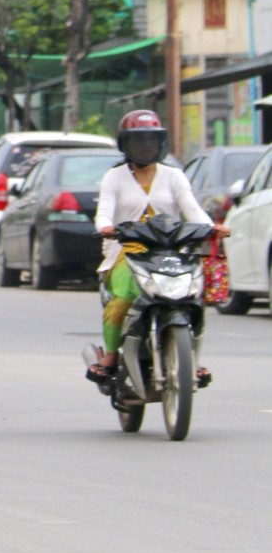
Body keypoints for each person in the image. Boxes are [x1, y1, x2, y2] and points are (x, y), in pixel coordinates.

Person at [89, 109, 213, 386]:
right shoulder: (114, 177)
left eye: (151, 140)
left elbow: (192, 210)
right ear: (126, 145)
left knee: (191, 298)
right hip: (126, 251)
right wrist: (105, 227)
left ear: (160, 143)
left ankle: (190, 356)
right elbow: (104, 212)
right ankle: (110, 356)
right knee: (121, 299)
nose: (146, 146)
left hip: (170, 250)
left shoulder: (173, 176)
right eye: (139, 140)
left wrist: (211, 228)